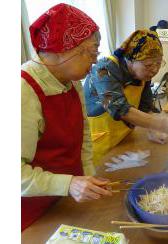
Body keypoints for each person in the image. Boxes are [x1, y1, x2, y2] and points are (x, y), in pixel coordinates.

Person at [21, 3, 112, 231]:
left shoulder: (72, 82)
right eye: (92, 53)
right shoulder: (23, 90)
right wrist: (69, 184)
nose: (94, 62)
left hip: (66, 199)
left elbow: (84, 137)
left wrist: (90, 179)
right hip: (32, 211)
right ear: (64, 48)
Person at [83, 29, 168, 166]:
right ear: (130, 59)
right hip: (98, 144)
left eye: (159, 63)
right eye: (149, 65)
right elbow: (118, 107)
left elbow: (145, 107)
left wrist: (152, 130)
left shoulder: (143, 76)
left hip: (124, 140)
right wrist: (162, 124)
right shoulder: (104, 70)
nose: (155, 70)